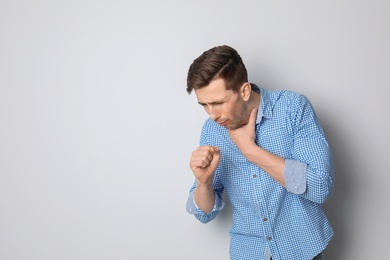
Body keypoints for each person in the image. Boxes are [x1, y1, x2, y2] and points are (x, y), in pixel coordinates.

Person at [185, 45, 334, 260]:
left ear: (244, 91)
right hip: (247, 252)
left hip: (301, 249)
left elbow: (320, 187)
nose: (212, 114)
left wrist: (250, 151)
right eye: (204, 105)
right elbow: (204, 214)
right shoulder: (211, 130)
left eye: (218, 103)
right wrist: (203, 182)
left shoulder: (293, 108)